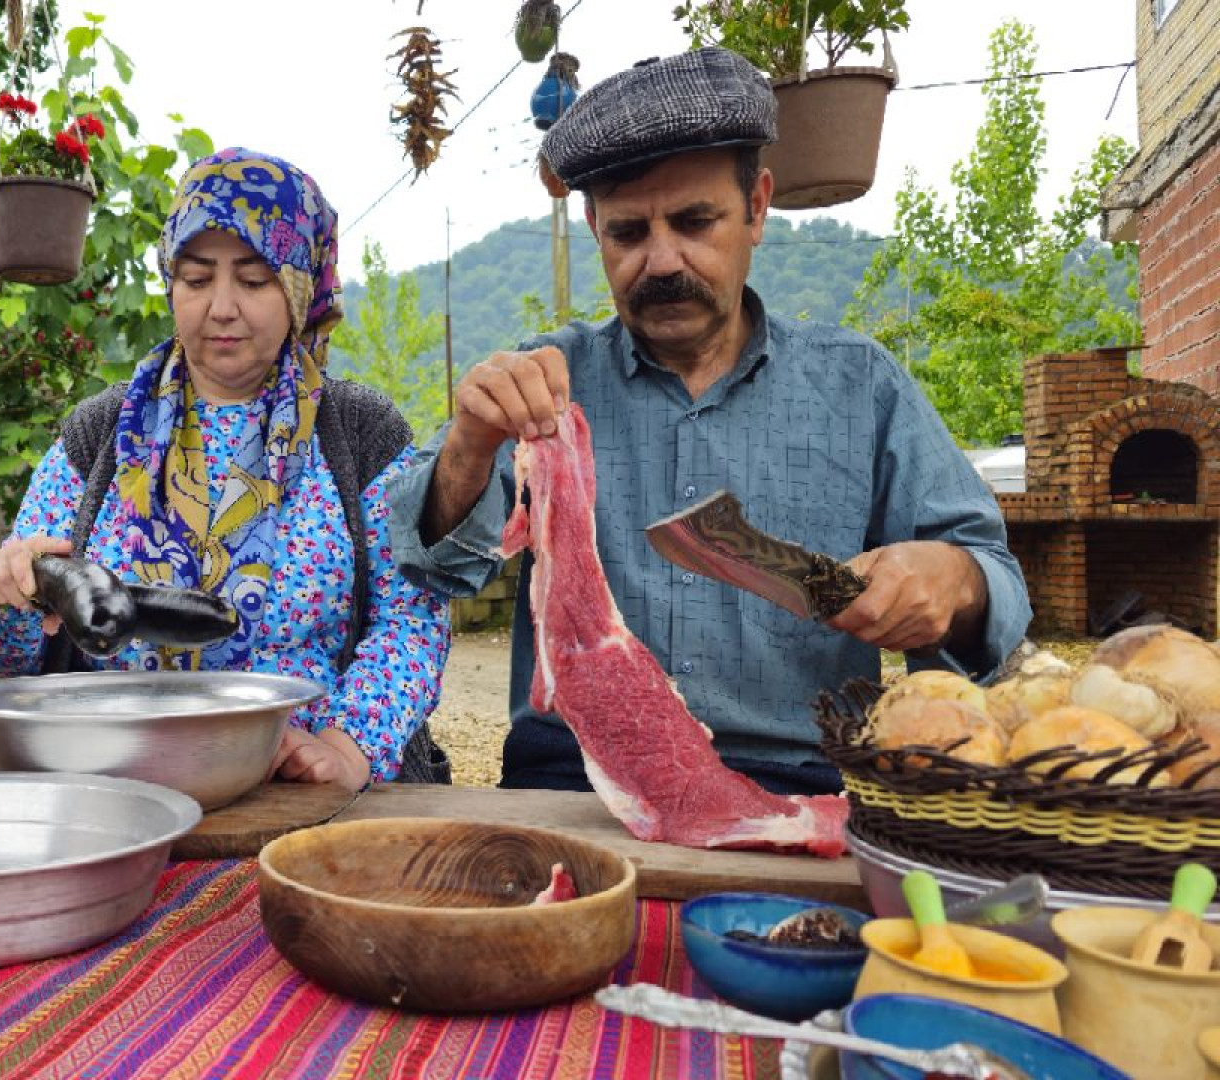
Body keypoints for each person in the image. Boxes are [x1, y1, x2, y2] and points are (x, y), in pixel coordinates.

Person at [387, 48, 1032, 797]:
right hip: (577, 782)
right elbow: (433, 567)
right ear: (594, 227)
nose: (662, 261)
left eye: (696, 222)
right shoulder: (546, 387)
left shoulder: (859, 383)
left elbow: (995, 586)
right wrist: (471, 442)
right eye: (628, 232)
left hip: (798, 784)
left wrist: (956, 582)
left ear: (757, 207)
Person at [0, 147, 453, 790]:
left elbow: (412, 619)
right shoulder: (100, 433)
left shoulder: (360, 432)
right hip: (118, 784)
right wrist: (3, 593)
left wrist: (346, 746)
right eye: (195, 279)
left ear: (300, 288)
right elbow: (0, 646)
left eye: (253, 280)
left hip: (303, 789)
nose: (220, 306)